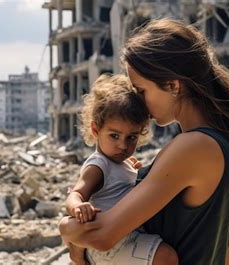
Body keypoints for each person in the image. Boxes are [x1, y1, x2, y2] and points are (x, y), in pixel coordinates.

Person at [59, 18, 229, 264]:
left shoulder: (194, 147)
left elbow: (103, 236)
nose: (139, 105)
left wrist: (66, 228)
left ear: (173, 85)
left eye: (141, 91)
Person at [64, 74, 178, 265]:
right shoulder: (97, 166)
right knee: (166, 258)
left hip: (125, 237)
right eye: (114, 136)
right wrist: (77, 207)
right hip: (111, 244)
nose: (123, 145)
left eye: (131, 137)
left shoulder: (123, 163)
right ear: (95, 129)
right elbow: (76, 193)